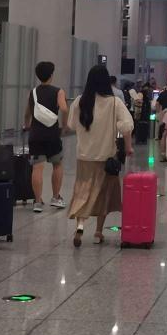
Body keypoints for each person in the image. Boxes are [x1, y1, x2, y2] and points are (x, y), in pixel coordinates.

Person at [67, 65, 134, 247]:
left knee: (82, 192)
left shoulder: (80, 101)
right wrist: (128, 147)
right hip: (106, 157)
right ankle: (98, 232)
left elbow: (71, 125)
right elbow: (126, 126)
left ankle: (80, 226)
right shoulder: (114, 103)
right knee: (104, 194)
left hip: (84, 156)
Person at [24, 61, 69, 214]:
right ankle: (55, 197)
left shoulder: (33, 92)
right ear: (51, 75)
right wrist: (64, 125)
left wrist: (27, 126)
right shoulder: (58, 91)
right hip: (52, 135)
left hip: (36, 135)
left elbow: (27, 113)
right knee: (57, 164)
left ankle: (37, 201)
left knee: (37, 167)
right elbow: (64, 109)